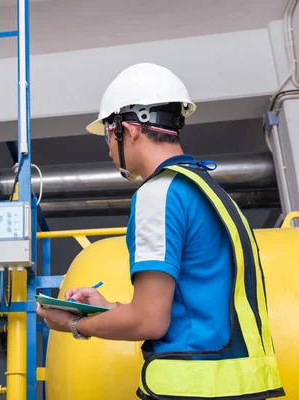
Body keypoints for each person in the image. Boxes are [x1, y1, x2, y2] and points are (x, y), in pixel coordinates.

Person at [36, 63, 285, 399]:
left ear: (128, 129)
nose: (109, 148)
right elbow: (192, 307)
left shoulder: (158, 194)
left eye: (109, 136)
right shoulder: (207, 190)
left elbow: (149, 322)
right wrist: (106, 307)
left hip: (190, 392)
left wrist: (73, 324)